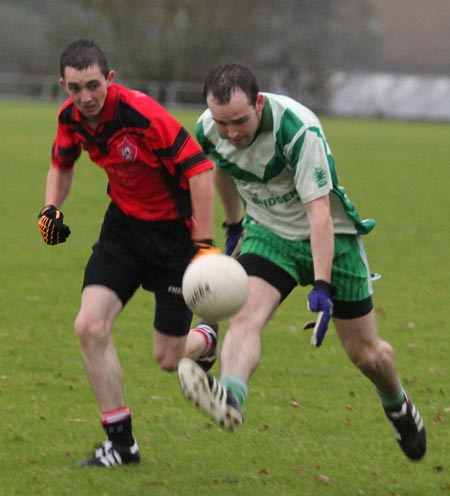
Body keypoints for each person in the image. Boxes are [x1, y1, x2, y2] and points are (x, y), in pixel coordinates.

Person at [177, 63, 426, 461]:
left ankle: (397, 403)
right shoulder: (209, 129)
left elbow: (319, 214)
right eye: (224, 124)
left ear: (258, 103)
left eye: (240, 121)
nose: (233, 133)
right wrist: (235, 224)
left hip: (331, 239)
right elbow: (221, 169)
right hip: (269, 235)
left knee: (366, 354)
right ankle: (231, 397)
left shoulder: (298, 129)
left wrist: (323, 285)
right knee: (244, 317)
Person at [38, 39, 220, 467]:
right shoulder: (71, 119)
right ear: (63, 85)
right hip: (122, 230)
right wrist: (50, 209)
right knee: (89, 326)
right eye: (75, 87)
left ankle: (206, 340)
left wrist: (205, 246)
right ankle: (121, 444)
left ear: (110, 79)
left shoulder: (142, 115)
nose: (86, 97)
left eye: (93, 85)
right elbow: (61, 165)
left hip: (175, 237)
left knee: (168, 358)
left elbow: (199, 170)